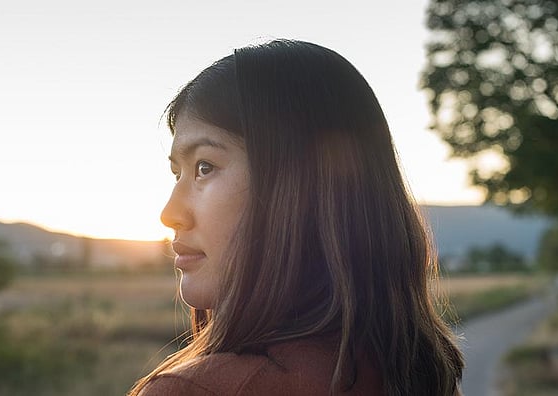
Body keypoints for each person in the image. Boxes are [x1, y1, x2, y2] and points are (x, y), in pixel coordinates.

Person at [129, 39, 464, 396]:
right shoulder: (422, 373)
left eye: (204, 167)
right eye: (177, 174)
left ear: (300, 188)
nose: (170, 214)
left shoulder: (197, 390)